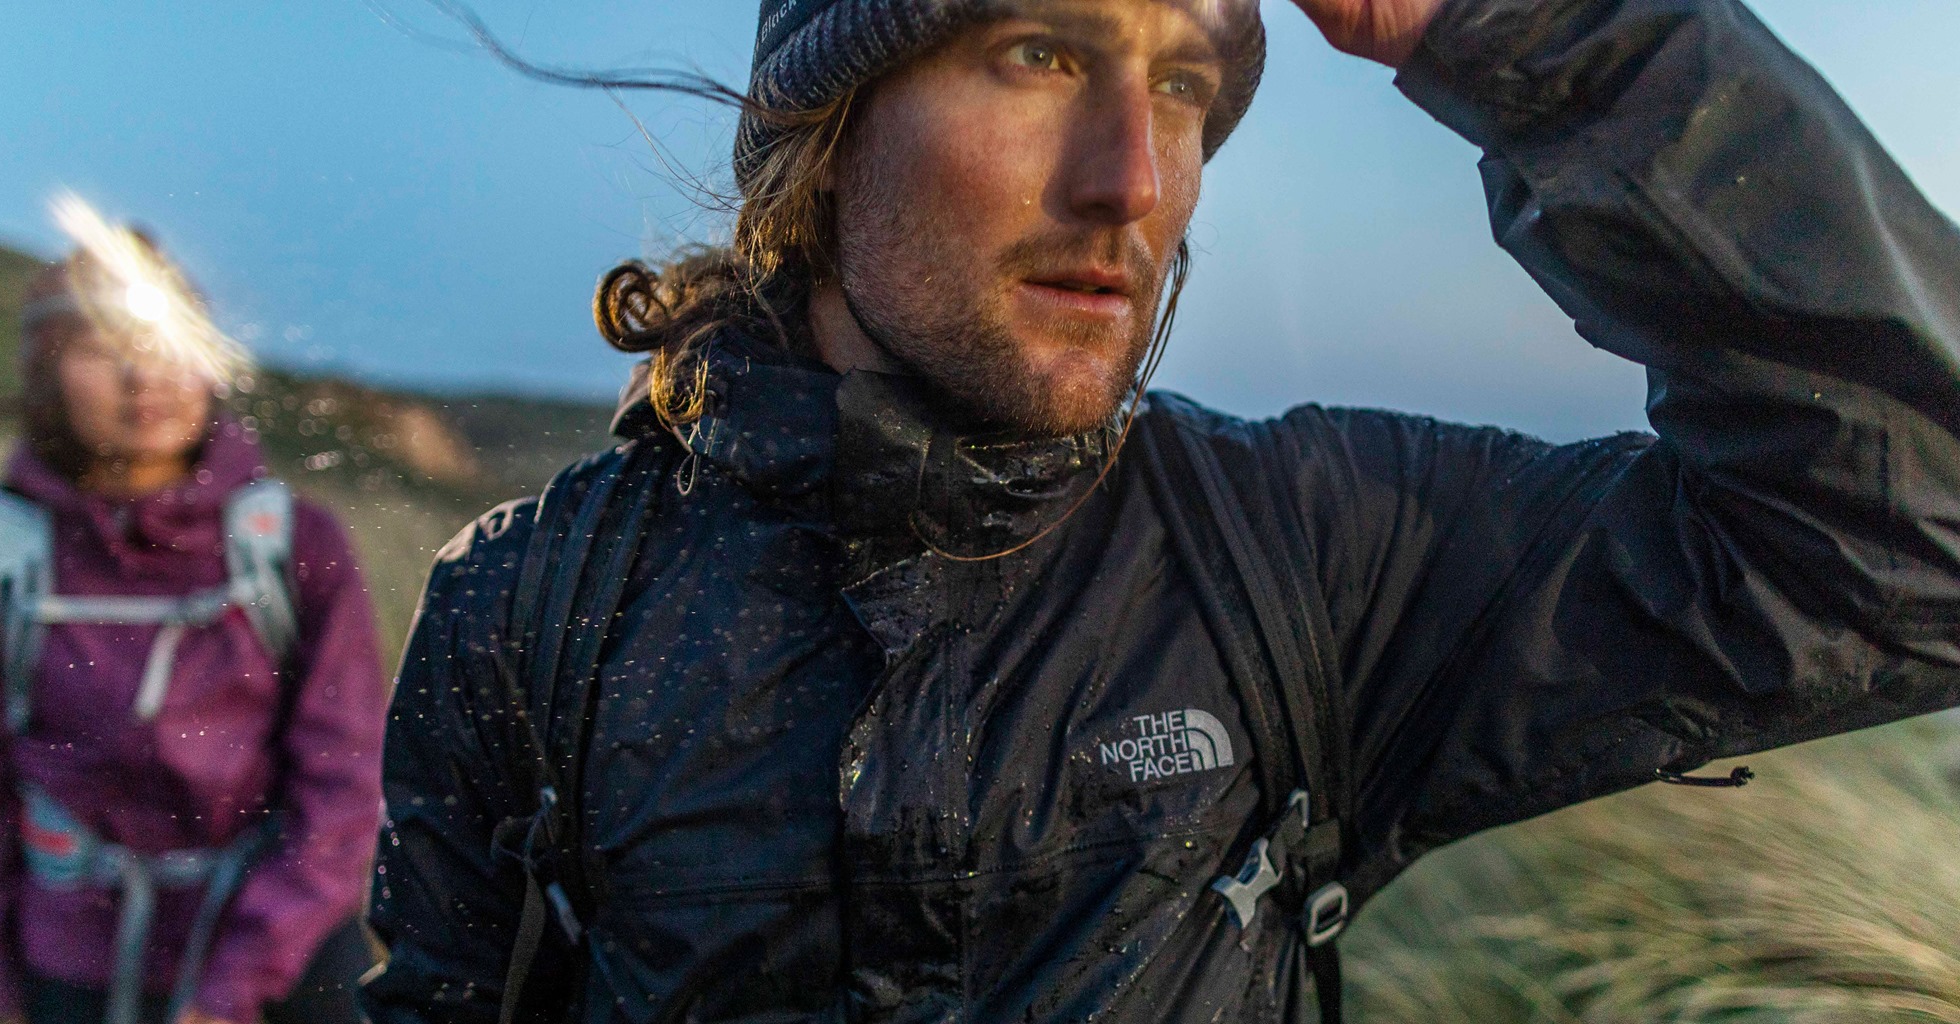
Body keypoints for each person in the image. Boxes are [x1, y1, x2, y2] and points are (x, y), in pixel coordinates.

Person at [365, 0, 1960, 1020]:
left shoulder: (1314, 555)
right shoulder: (532, 608)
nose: (1133, 179)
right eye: (1040, 54)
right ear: (828, 135)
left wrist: (1536, 33)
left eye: (1185, 83)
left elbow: (1913, 535)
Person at [0, 228, 388, 1024]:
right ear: (47, 372)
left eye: (168, 339)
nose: (144, 377)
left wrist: (234, 988)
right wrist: (0, 960)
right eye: (102, 349)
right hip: (71, 963)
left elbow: (344, 782)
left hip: (286, 955)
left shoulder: (294, 545)